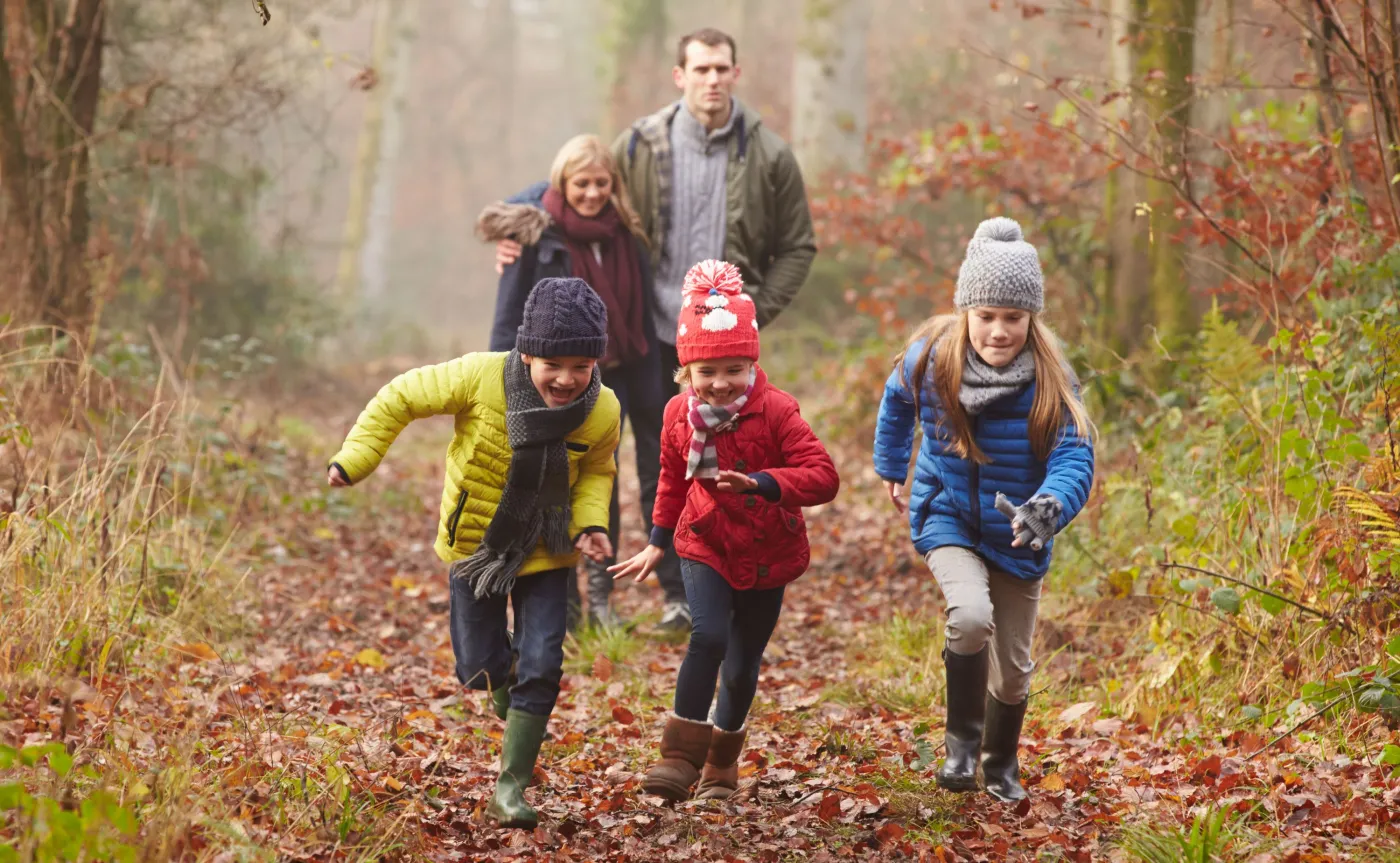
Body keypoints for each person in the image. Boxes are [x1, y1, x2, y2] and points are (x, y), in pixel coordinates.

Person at [491, 27, 818, 633]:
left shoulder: (768, 154)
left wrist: (750, 313)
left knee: (697, 464)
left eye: (722, 69)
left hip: (717, 344)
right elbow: (574, 183)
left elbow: (799, 244)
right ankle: (606, 589)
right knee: (621, 459)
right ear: (680, 76)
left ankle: (686, 592)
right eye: (701, 69)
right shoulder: (640, 144)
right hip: (644, 333)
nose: (712, 80)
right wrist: (517, 224)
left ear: (735, 74)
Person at [325, 277, 621, 828]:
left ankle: (510, 789)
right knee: (480, 669)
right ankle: (511, 695)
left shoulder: (602, 409)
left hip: (550, 550)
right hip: (476, 547)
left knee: (544, 663)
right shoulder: (479, 376)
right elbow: (400, 397)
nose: (567, 379)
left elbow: (596, 473)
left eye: (582, 365)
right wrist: (356, 458)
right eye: (554, 363)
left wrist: (590, 524)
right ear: (527, 351)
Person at [871, 218, 1096, 802]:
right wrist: (893, 466)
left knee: (1015, 669)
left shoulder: (1050, 378)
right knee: (970, 616)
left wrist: (1049, 507)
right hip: (945, 513)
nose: (998, 331)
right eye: (986, 316)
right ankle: (961, 748)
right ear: (965, 310)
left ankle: (1000, 762)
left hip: (1020, 532)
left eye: (1013, 319)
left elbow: (1075, 456)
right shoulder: (930, 360)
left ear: (1031, 319)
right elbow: (895, 401)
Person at [610, 260, 839, 802]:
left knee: (740, 667)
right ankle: (679, 757)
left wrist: (763, 482)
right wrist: (657, 542)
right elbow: (669, 479)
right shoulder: (676, 415)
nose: (719, 383)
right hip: (703, 539)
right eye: (706, 372)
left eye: (734, 369)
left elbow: (823, 477)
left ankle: (720, 766)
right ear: (686, 373)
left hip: (768, 551)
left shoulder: (778, 411)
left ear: (752, 364)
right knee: (708, 635)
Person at [477, 134, 667, 631]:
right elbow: (508, 315)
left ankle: (602, 598)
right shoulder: (536, 234)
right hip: (551, 382)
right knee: (555, 486)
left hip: (616, 376)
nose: (591, 193)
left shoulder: (625, 234)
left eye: (601, 183)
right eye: (581, 183)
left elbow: (640, 314)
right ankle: (564, 607)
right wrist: (504, 381)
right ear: (563, 182)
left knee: (604, 482)